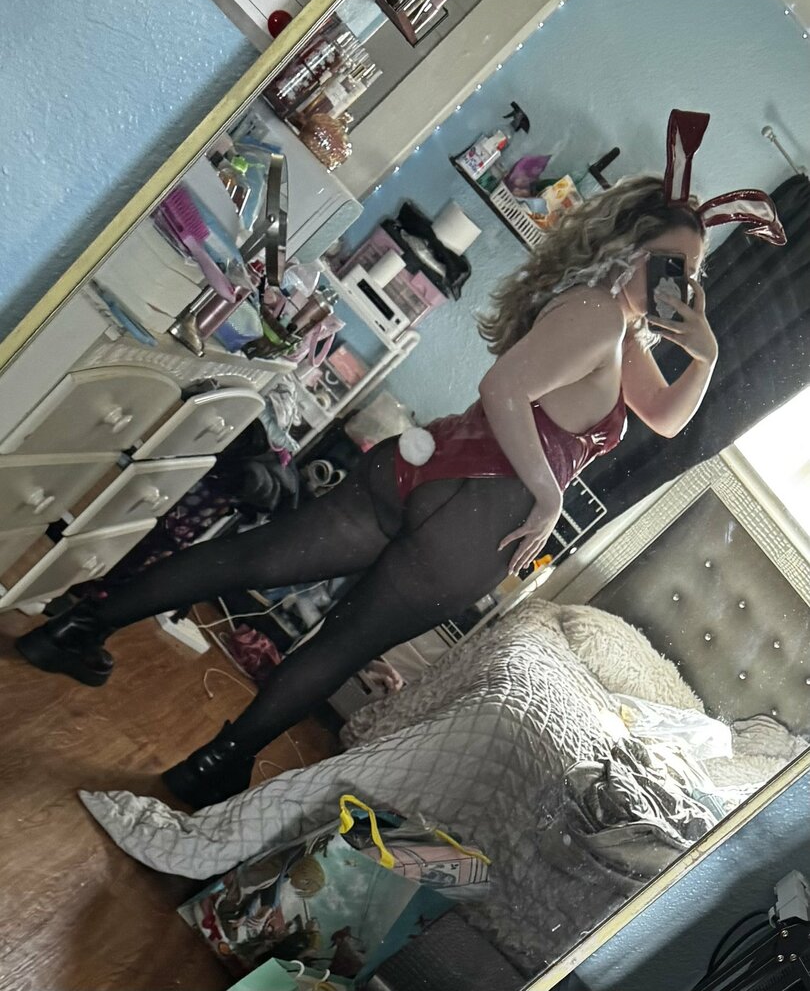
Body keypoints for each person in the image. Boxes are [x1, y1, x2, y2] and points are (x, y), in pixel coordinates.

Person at [14, 110, 785, 809]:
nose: (681, 283)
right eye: (671, 263)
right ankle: (212, 766)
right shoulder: (597, 319)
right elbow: (504, 389)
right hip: (473, 519)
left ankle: (78, 626)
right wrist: (549, 496)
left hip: (426, 470)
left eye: (692, 273)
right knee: (342, 645)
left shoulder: (613, 326)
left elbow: (667, 418)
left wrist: (706, 352)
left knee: (255, 558)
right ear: (630, 248)